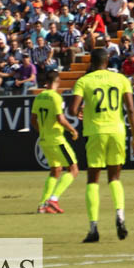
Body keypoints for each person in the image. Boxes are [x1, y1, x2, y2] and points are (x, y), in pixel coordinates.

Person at [69, 48, 134, 243]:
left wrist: (80, 111)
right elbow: (132, 110)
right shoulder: (121, 80)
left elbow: (72, 109)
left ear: (91, 62)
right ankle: (120, 216)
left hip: (95, 132)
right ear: (108, 61)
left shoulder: (84, 81)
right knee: (115, 177)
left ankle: (93, 228)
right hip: (117, 131)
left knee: (93, 179)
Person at [31, 71, 79, 214]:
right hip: (57, 139)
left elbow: (33, 120)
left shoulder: (38, 97)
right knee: (73, 169)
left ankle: (42, 205)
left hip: (44, 140)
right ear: (58, 81)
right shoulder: (56, 97)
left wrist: (43, 131)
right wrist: (72, 130)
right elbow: (61, 119)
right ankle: (53, 199)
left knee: (55, 170)